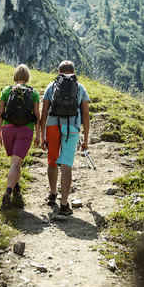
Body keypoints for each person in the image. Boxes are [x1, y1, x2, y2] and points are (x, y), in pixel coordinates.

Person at [40, 60, 90, 215]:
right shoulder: (80, 87)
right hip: (72, 128)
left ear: (59, 71)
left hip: (53, 126)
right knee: (67, 164)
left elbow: (44, 113)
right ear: (74, 71)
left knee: (52, 160)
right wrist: (86, 139)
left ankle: (53, 193)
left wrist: (41, 135)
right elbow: (86, 115)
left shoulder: (51, 86)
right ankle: (63, 204)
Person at [0, 64, 40, 211]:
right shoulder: (33, 92)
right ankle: (8, 190)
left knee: (16, 161)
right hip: (25, 130)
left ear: (15, 76)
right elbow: (37, 116)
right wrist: (38, 135)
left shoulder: (7, 90)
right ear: (27, 77)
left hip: (7, 129)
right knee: (16, 162)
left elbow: (1, 113)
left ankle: (17, 189)